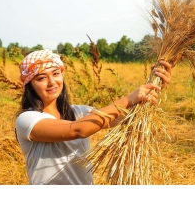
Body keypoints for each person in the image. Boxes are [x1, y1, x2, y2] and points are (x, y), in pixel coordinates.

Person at [15, 48, 172, 185]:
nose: (51, 82)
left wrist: (154, 87)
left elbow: (125, 118)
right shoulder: (27, 120)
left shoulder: (79, 112)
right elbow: (77, 130)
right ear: (30, 84)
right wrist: (128, 99)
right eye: (41, 78)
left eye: (56, 74)